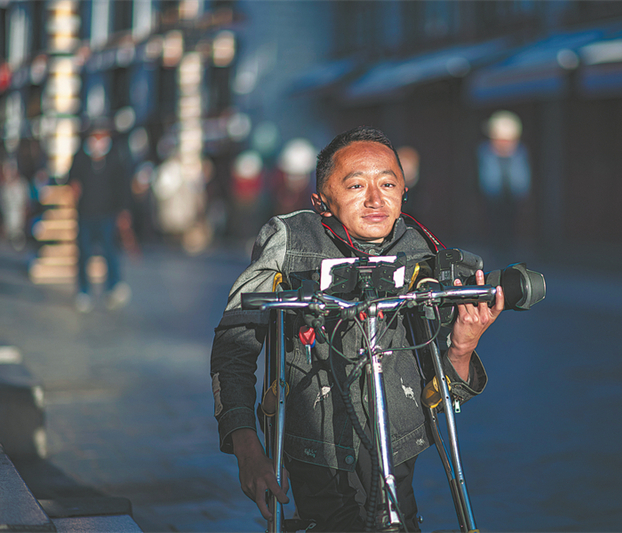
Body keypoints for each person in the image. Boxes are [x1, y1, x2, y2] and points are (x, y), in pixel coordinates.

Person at [210, 126, 504, 532]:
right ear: (321, 200)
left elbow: (442, 397)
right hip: (316, 448)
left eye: (387, 183)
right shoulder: (290, 241)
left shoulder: (420, 249)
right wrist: (246, 447)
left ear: (404, 192)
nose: (374, 199)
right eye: (355, 185)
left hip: (399, 446)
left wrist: (462, 347)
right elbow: (233, 346)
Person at [68, 117, 132, 312]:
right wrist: (73, 186)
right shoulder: (81, 155)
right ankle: (84, 291)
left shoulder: (114, 156)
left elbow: (122, 186)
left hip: (107, 213)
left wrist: (123, 210)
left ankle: (113, 286)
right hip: (86, 213)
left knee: (109, 251)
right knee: (85, 252)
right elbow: (71, 177)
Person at [477, 110, 531, 249]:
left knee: (511, 225)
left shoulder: (519, 154)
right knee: (494, 225)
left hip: (513, 201)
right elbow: (486, 181)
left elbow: (522, 182)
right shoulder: (485, 153)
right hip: (492, 201)